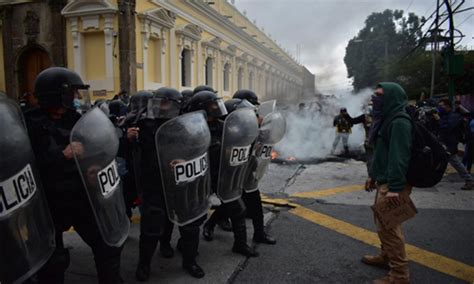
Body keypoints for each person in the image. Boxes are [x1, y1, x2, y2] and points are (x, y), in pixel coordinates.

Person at [25, 67, 124, 283]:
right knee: (52, 262)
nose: (77, 97)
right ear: (56, 95)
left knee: (107, 245)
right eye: (72, 92)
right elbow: (25, 167)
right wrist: (62, 155)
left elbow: (92, 146)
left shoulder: (76, 119)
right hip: (49, 203)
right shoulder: (28, 124)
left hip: (80, 197)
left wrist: (94, 166)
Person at [135, 87, 206, 281]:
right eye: (158, 102)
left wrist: (185, 159)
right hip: (155, 182)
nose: (161, 107)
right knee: (152, 226)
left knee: (190, 225)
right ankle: (144, 263)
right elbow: (141, 153)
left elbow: (195, 147)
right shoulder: (145, 125)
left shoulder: (185, 124)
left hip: (181, 183)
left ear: (176, 105)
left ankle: (190, 261)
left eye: (165, 103)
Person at [188, 91, 259, 258]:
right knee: (193, 216)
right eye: (212, 104)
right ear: (202, 108)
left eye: (216, 103)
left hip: (222, 175)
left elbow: (239, 143)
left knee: (237, 208)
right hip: (201, 177)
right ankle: (187, 248)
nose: (216, 107)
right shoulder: (193, 127)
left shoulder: (223, 125)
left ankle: (240, 245)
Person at [363, 83, 413, 284]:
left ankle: (400, 275)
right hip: (384, 179)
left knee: (390, 228)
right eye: (374, 95)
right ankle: (386, 257)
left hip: (394, 183)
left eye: (379, 96)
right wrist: (373, 175)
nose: (374, 99)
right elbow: (381, 154)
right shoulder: (385, 120)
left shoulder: (399, 122)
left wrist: (395, 188)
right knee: (382, 223)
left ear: (391, 98)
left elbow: (398, 158)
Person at [437, 98, 473, 190]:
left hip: (450, 143)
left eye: (441, 106)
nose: (440, 108)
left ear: (447, 106)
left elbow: (447, 128)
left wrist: (438, 120)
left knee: (455, 162)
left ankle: (469, 180)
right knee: (438, 159)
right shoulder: (445, 115)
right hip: (444, 141)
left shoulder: (454, 116)